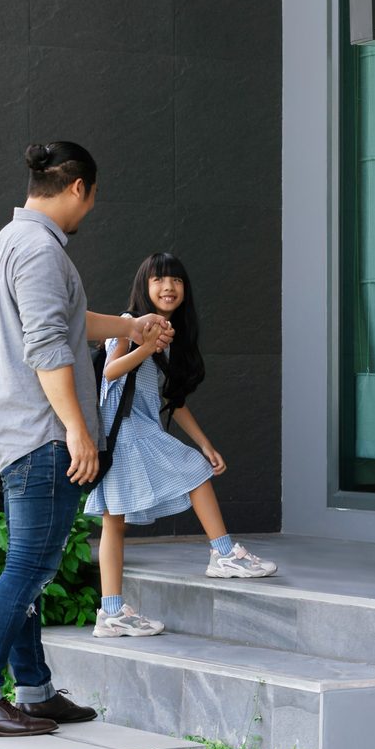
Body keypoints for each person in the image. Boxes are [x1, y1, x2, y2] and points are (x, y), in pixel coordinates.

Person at [0, 142, 173, 738]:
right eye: (93, 197)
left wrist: (129, 326)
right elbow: (49, 346)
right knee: (28, 567)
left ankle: (36, 691)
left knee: (27, 566)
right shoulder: (39, 251)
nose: (90, 209)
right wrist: (78, 429)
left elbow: (68, 324)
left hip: (20, 431)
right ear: (79, 187)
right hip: (43, 435)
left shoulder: (14, 240)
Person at [87, 252, 275, 638]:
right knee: (190, 473)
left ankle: (111, 612)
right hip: (123, 430)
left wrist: (205, 443)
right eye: (158, 280)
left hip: (133, 431)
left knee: (114, 522)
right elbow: (110, 371)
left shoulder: (169, 336)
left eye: (175, 280)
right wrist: (146, 345)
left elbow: (174, 401)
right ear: (144, 286)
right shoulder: (127, 324)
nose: (168, 287)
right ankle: (223, 554)